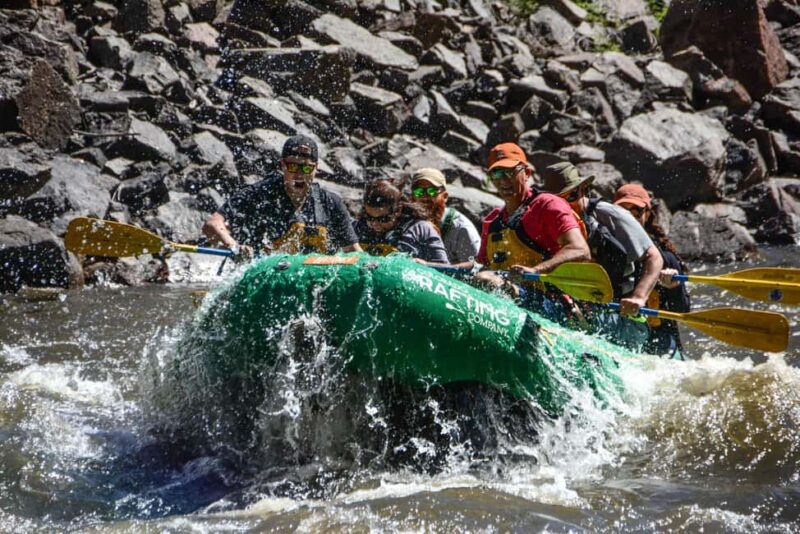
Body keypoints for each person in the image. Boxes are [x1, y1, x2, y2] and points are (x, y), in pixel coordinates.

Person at [541, 162, 664, 350]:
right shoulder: (548, 220)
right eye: (560, 201)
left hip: (621, 314)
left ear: (584, 189)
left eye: (572, 196)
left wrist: (639, 297)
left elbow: (654, 257)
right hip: (580, 307)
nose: (567, 206)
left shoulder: (610, 215)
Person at [471, 143, 591, 319]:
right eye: (496, 173)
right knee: (481, 278)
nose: (503, 180)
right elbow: (480, 265)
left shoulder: (547, 205)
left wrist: (536, 270)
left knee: (486, 281)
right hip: (512, 295)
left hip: (553, 303)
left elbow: (581, 249)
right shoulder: (493, 220)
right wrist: (433, 267)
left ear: (526, 173)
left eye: (510, 172)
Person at [202, 135, 361, 260]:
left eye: (307, 168)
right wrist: (234, 247)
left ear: (316, 168)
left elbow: (353, 251)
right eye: (292, 166)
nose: (299, 174)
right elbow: (212, 224)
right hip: (265, 273)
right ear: (282, 165)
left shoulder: (331, 202)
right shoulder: (260, 193)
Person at [614, 183, 691, 358]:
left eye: (636, 212)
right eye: (624, 212)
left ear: (647, 214)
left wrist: (673, 287)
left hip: (661, 340)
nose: (630, 218)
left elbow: (683, 311)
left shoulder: (666, 259)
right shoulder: (609, 252)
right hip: (623, 332)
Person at [354, 179, 449, 264]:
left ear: (398, 210)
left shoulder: (422, 229)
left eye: (383, 219)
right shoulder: (355, 227)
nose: (375, 224)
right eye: (369, 218)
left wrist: (425, 265)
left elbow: (445, 268)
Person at [409, 168, 481, 264]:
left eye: (432, 191)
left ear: (445, 196)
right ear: (412, 197)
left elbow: (476, 266)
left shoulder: (461, 228)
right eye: (419, 192)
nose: (425, 197)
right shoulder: (405, 222)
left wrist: (429, 265)